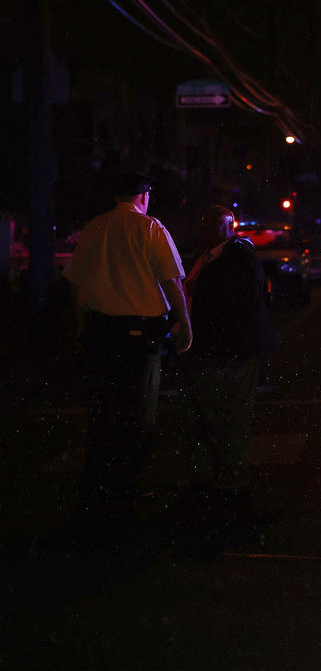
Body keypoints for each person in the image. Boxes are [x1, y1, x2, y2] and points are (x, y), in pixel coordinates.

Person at [64, 168, 192, 518]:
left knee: (103, 407)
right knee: (138, 411)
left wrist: (80, 323)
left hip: (100, 330)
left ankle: (96, 485)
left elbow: (75, 281)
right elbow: (170, 279)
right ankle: (126, 486)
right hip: (140, 333)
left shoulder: (94, 227)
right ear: (143, 196)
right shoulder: (150, 228)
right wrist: (185, 322)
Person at [182, 205, 276, 514]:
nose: (206, 228)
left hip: (227, 349)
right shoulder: (215, 257)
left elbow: (240, 300)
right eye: (205, 223)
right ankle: (224, 476)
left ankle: (231, 480)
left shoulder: (234, 256)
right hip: (218, 348)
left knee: (228, 413)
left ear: (229, 227)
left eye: (214, 224)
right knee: (219, 413)